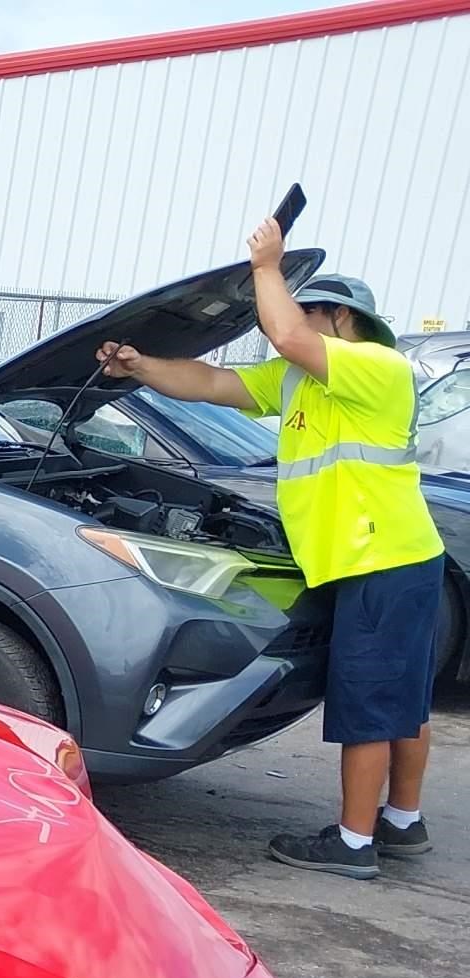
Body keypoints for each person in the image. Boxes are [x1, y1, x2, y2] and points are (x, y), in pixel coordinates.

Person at [98, 218, 444, 880]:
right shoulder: (300, 381)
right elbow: (211, 385)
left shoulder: (377, 367)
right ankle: (401, 821)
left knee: (370, 701)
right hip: (380, 559)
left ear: (338, 318)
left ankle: (353, 841)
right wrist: (141, 366)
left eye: (305, 307)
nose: (289, 324)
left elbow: (285, 331)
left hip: (383, 560)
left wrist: (266, 267)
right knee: (399, 697)